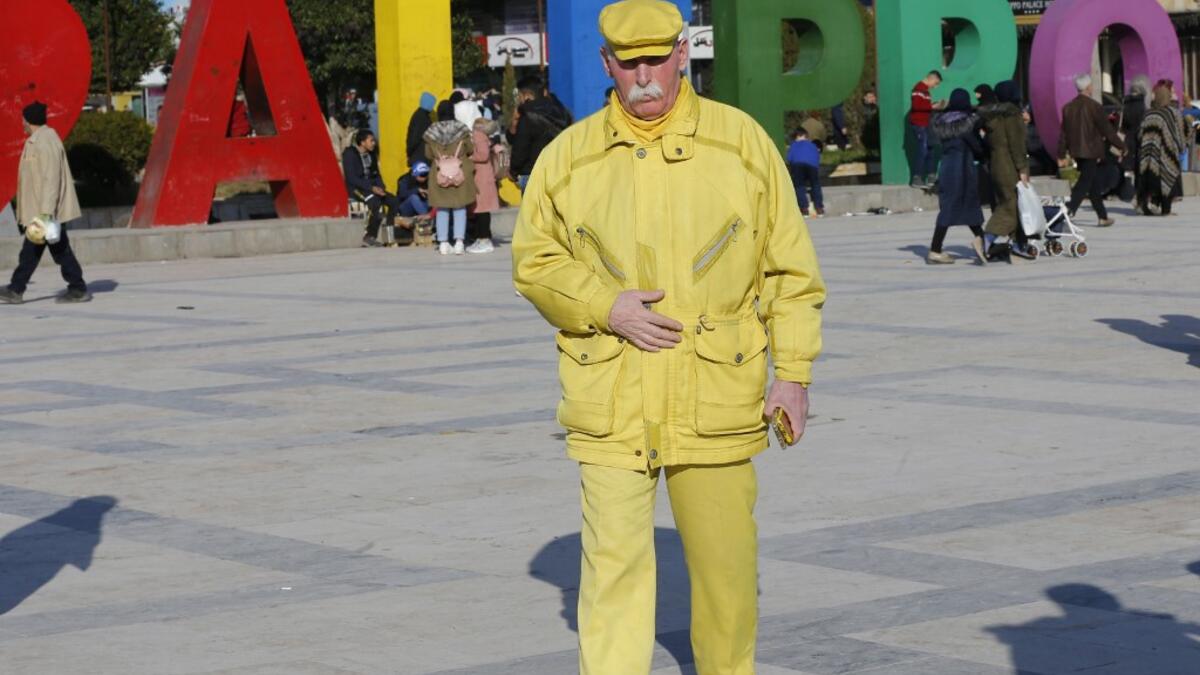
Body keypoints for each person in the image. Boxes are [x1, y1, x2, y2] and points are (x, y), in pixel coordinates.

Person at [511, 1, 826, 673]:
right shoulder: (568, 158)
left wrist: (793, 372)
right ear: (607, 65)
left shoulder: (740, 145)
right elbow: (534, 261)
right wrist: (604, 304)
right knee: (613, 575)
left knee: (726, 578)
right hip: (611, 397)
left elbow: (790, 269)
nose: (646, 76)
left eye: (659, 58)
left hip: (715, 395)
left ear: (685, 54)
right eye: (630, 63)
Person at [0, 102, 91, 304]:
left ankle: (75, 288)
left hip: (45, 211)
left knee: (44, 250)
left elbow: (51, 178)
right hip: (41, 211)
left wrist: (46, 212)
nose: (22, 123)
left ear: (28, 119)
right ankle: (18, 288)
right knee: (44, 250)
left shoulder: (45, 141)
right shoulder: (37, 140)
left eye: (23, 119)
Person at [926, 89, 987, 265]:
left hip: (947, 168)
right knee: (968, 205)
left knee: (949, 207)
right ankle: (984, 242)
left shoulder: (941, 122)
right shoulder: (967, 124)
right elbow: (977, 147)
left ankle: (936, 249)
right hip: (963, 169)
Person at [1058, 73, 1125, 227]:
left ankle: (1102, 216)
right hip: (1091, 150)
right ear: (1088, 87)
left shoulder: (1068, 108)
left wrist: (1061, 153)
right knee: (1085, 181)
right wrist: (1122, 146)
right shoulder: (1095, 107)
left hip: (1076, 151)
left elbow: (1063, 133)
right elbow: (1107, 131)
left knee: (1092, 183)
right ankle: (1070, 209)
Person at [981, 81, 1033, 261]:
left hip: (996, 164)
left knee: (1016, 205)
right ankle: (987, 238)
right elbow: (1016, 144)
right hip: (1010, 166)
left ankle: (1018, 244)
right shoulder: (1012, 114)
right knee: (1011, 205)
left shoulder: (994, 116)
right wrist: (1022, 169)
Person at [425, 101, 476, 255]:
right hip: (459, 172)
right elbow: (470, 149)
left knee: (442, 208)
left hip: (440, 173)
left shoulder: (431, 132)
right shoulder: (462, 130)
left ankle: (443, 243)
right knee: (460, 207)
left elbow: (428, 154)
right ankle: (459, 242)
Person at [343, 129, 408, 247]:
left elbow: (376, 174)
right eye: (371, 140)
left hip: (372, 188)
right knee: (376, 203)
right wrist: (371, 188)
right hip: (357, 189)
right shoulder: (349, 154)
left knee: (393, 201)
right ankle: (369, 236)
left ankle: (390, 235)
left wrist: (381, 187)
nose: (374, 143)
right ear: (362, 142)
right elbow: (351, 178)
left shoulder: (371, 154)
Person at [509, 75, 571, 192]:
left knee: (533, 210)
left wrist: (513, 171)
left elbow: (520, 147)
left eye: (520, 96)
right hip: (560, 171)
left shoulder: (528, 115)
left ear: (526, 95)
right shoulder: (561, 110)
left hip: (533, 174)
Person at [1136, 83, 1186, 216]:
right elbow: (1179, 133)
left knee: (1151, 182)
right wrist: (1181, 147)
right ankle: (1166, 210)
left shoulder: (1148, 114)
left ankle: (1147, 206)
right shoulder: (1172, 113)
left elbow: (1140, 134)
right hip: (1166, 154)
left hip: (1148, 156)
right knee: (1168, 179)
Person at [467, 117, 502, 253]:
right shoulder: (486, 136)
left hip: (481, 176)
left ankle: (484, 239)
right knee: (483, 209)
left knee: (481, 209)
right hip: (485, 175)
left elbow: (483, 155)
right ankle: (482, 238)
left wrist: (469, 157)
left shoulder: (478, 136)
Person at [910, 70, 947, 187]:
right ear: (931, 78)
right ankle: (917, 177)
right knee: (923, 149)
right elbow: (916, 105)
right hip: (919, 124)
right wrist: (932, 106)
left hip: (926, 124)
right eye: (935, 83)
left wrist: (933, 105)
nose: (935, 87)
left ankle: (931, 176)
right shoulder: (919, 89)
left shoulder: (925, 91)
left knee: (930, 149)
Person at [787, 128, 824, 217]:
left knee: (799, 186)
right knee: (815, 185)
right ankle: (819, 208)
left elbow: (789, 159)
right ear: (806, 136)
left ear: (798, 136)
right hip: (812, 166)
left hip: (798, 166)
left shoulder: (793, 145)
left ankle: (804, 209)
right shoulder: (812, 145)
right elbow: (817, 157)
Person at [406, 92, 436, 167]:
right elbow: (414, 138)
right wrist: (409, 152)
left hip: (418, 155)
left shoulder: (419, 115)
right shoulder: (422, 118)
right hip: (420, 156)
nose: (432, 107)